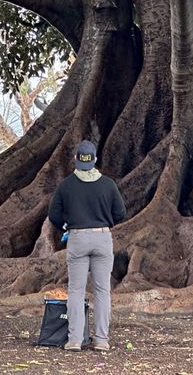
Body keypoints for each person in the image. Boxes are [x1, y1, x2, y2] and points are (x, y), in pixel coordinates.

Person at [47, 139, 126, 352]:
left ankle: (74, 340)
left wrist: (67, 225)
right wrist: (105, 222)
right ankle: (101, 340)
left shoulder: (66, 185)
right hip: (102, 238)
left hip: (77, 238)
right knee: (102, 291)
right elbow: (121, 213)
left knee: (76, 290)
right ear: (95, 160)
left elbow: (53, 214)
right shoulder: (108, 184)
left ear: (76, 160)